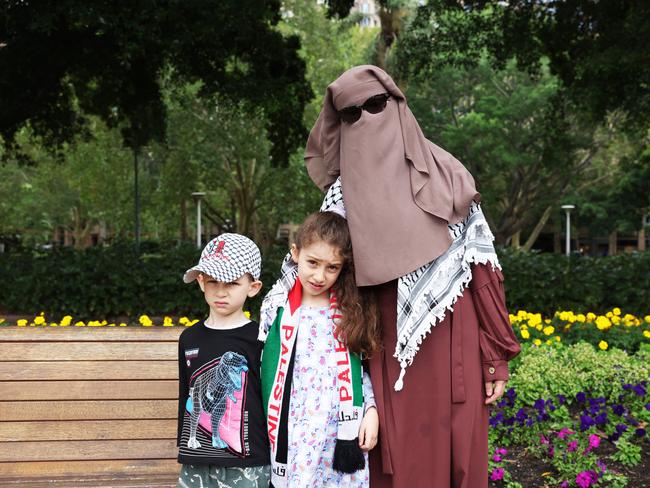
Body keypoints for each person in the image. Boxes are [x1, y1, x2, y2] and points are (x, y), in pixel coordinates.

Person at [303, 65, 521, 487]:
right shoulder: (340, 197)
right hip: (384, 345)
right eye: (351, 113)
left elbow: (482, 270)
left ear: (398, 104)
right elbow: (320, 273)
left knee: (458, 454)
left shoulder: (445, 175)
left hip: (453, 340)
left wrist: (495, 358)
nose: (366, 118)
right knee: (397, 460)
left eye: (376, 104)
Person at [259, 211, 380, 488]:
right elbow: (264, 367)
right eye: (312, 262)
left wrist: (370, 411)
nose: (319, 275)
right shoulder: (277, 307)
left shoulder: (350, 309)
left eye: (332, 267)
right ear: (295, 253)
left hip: (338, 432)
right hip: (294, 432)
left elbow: (360, 370)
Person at [176, 233, 270, 488]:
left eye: (231, 283)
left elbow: (270, 398)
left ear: (253, 287)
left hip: (248, 462)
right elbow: (187, 392)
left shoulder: (261, 338)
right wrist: (186, 446)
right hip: (196, 461)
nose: (220, 291)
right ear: (200, 281)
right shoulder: (189, 338)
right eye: (213, 280)